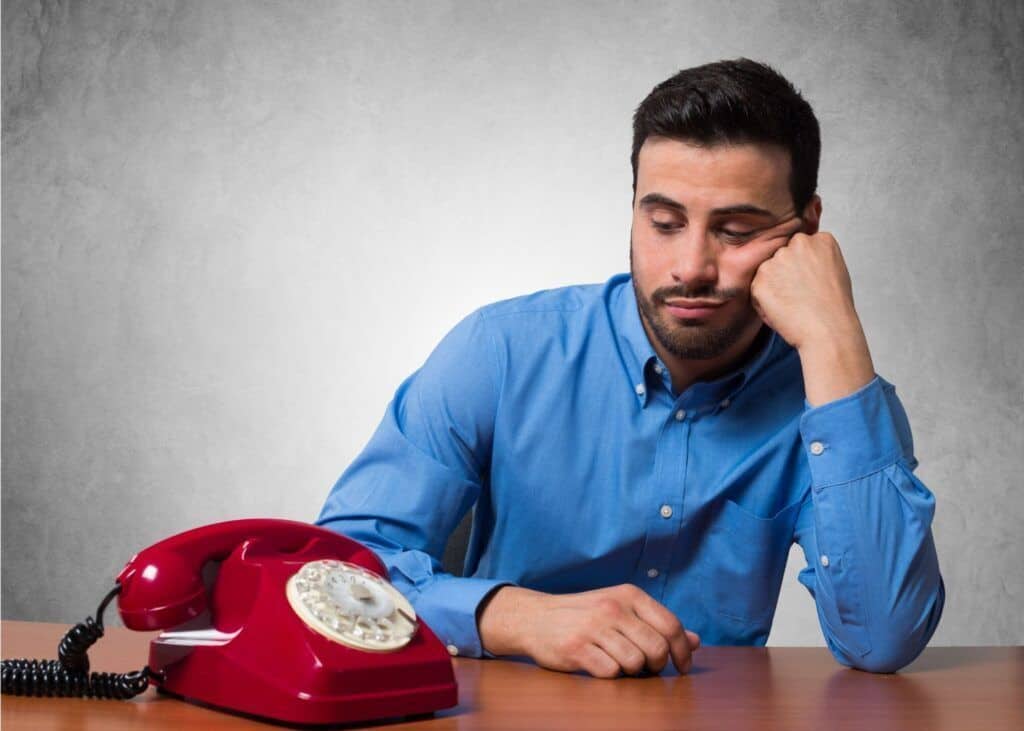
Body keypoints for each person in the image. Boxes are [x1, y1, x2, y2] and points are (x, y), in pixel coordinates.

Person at [316, 58, 944, 677]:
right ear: (635, 207)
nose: (692, 267)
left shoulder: (835, 398)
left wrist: (834, 337)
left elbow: (884, 638)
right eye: (665, 223)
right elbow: (336, 570)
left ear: (805, 231)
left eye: (735, 230)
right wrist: (518, 618)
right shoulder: (501, 350)